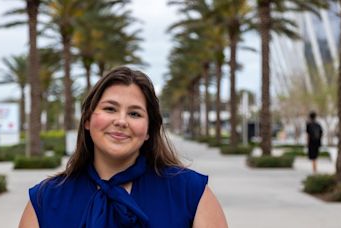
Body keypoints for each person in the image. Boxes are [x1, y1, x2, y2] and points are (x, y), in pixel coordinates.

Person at [19, 66, 228, 228]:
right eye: (110, 109)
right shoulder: (45, 199)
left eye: (135, 113)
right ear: (88, 120)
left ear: (148, 130)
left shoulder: (190, 192)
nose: (121, 121)